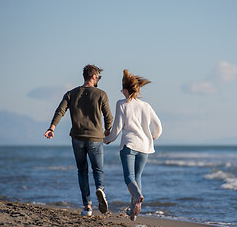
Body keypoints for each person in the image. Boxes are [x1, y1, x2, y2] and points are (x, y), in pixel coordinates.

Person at [44, 64, 113, 216]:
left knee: (82, 171)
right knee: (98, 169)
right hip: (95, 137)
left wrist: (52, 128)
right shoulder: (101, 94)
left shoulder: (71, 94)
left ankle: (87, 207)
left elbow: (60, 111)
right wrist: (107, 132)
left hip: (77, 138)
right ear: (94, 77)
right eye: (98, 77)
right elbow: (108, 116)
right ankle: (100, 189)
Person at [104, 69, 162, 221]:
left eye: (121, 87)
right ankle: (133, 211)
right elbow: (158, 126)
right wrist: (152, 138)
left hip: (129, 145)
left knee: (129, 177)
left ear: (125, 88)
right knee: (137, 178)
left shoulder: (121, 104)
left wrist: (107, 140)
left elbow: (116, 129)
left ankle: (137, 197)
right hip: (145, 147)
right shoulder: (146, 106)